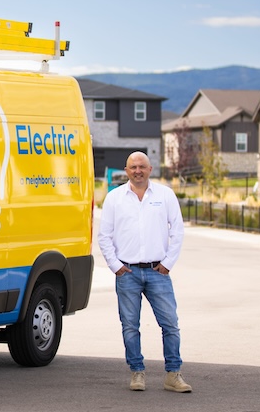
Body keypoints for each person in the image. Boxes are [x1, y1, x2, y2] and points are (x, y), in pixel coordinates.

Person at [97, 151, 192, 393]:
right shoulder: (114, 198)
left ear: (150, 169)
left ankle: (173, 374)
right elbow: (104, 236)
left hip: (157, 272)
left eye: (142, 166)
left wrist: (168, 262)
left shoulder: (165, 195)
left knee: (170, 324)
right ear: (126, 171)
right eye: (132, 167)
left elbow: (177, 231)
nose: (137, 170)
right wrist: (116, 267)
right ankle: (137, 373)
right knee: (130, 326)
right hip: (127, 273)